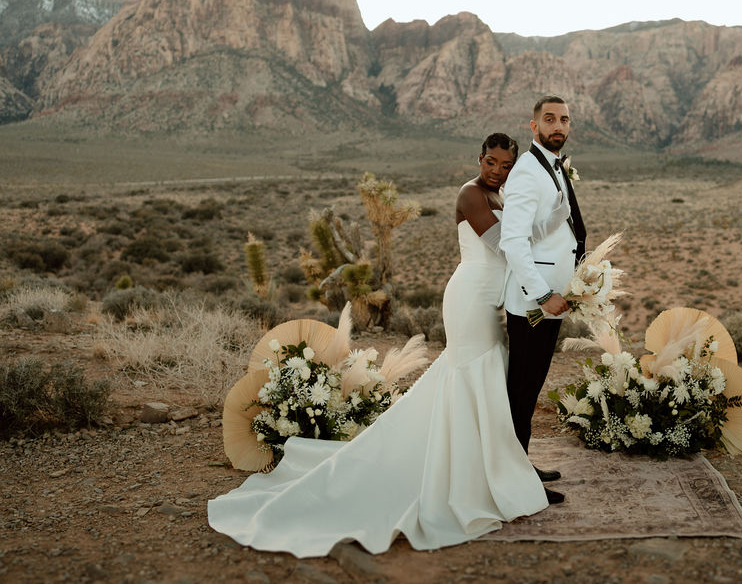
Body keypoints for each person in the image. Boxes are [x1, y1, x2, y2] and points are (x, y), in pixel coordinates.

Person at [207, 133, 568, 556]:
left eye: (506, 166)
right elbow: (506, 246)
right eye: (491, 162)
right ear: (479, 159)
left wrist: (553, 218)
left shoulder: (500, 196)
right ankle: (498, 474)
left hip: (493, 298)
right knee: (474, 374)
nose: (497, 171)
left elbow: (516, 241)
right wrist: (543, 232)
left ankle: (505, 466)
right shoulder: (471, 194)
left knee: (490, 378)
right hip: (470, 298)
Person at [500, 95, 586, 504]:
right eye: (549, 119)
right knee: (521, 390)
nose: (558, 125)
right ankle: (515, 481)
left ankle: (521, 464)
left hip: (551, 300)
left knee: (529, 390)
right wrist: (543, 293)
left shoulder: (550, 165)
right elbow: (512, 242)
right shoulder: (524, 173)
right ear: (532, 126)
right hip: (534, 303)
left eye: (564, 119)